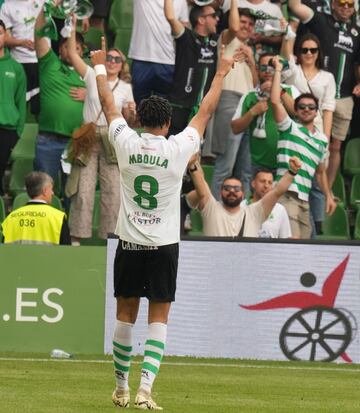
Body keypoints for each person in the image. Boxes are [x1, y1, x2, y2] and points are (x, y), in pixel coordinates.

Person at [90, 38, 236, 409]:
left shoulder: (125, 142)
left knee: (124, 315)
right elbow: (206, 110)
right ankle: (145, 390)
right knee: (159, 319)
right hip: (164, 245)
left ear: (138, 118)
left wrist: (100, 69)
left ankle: (121, 387)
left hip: (129, 242)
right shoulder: (179, 147)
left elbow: (108, 106)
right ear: (169, 122)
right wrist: (219, 72)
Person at [65, 19, 136, 245]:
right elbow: (72, 54)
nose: (113, 61)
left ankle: (109, 241)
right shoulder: (91, 76)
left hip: (113, 139)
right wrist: (72, 29)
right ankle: (76, 240)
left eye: (117, 59)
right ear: (103, 60)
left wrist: (131, 112)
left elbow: (130, 120)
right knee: (83, 192)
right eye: (110, 58)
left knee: (113, 193)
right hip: (89, 136)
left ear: (122, 64)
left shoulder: (126, 88)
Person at [288, 0, 360, 190]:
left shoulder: (357, 32)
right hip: (318, 95)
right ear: (333, 5)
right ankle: (301, 183)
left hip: (344, 97)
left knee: (335, 146)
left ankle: (324, 188)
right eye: (342, 4)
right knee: (307, 139)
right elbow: (295, 7)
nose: (346, 8)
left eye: (350, 5)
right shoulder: (321, 21)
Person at [270, 55, 336, 239]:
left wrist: (329, 196)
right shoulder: (289, 127)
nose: (306, 109)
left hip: (304, 201)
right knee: (294, 245)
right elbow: (275, 101)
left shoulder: (322, 140)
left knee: (305, 248)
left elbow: (321, 172)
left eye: (311, 107)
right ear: (296, 111)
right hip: (286, 195)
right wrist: (277, 70)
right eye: (302, 107)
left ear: (317, 112)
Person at [33, 3, 86, 181]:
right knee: (43, 190)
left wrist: (89, 95)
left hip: (76, 143)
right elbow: (39, 33)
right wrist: (46, 7)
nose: (70, 51)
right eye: (67, 46)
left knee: (72, 195)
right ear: (60, 49)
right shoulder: (50, 63)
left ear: (82, 51)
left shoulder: (87, 72)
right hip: (48, 140)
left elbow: (107, 98)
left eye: (76, 48)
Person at [186, 154, 300, 236]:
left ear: (243, 193)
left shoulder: (254, 213)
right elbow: (202, 190)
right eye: (227, 188)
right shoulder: (211, 208)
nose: (232, 191)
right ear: (220, 192)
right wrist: (193, 165)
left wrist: (292, 172)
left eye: (236, 189)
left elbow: (277, 191)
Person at [210, 4, 257, 199]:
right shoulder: (226, 39)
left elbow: (256, 85)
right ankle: (213, 216)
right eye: (243, 21)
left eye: (250, 24)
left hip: (249, 105)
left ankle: (241, 221)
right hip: (229, 100)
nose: (246, 26)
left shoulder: (250, 49)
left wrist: (252, 60)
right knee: (225, 167)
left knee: (245, 171)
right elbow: (235, 28)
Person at [231, 52, 298, 175]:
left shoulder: (290, 90)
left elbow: (297, 112)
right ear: (257, 70)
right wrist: (252, 112)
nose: (267, 71)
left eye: (271, 67)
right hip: (257, 165)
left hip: (286, 162)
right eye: (263, 68)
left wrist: (279, 90)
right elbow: (235, 128)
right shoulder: (250, 96)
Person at [164, 0, 221, 136]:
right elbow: (171, 17)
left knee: (194, 154)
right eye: (213, 16)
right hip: (179, 106)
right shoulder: (186, 37)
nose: (217, 19)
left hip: (201, 110)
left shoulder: (215, 41)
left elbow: (234, 29)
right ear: (201, 20)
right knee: (173, 149)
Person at [128, 0, 189, 105]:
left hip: (168, 61)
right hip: (142, 59)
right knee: (138, 108)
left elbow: (184, 29)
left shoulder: (181, 1)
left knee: (163, 110)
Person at [1, 171, 71, 245]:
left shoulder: (11, 217)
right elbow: (67, 252)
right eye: (51, 189)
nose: (53, 193)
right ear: (45, 190)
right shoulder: (58, 218)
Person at [0, 0, 44, 115]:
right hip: (18, 62)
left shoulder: (45, 2)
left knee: (41, 109)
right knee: (17, 105)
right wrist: (21, 42)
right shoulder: (7, 5)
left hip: (42, 60)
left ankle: (42, 134)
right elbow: (4, 38)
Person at [0, 19, 26, 196]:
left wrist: (18, 130)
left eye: (0, 33)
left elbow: (20, 102)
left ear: (5, 36)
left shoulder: (15, 67)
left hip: (7, 129)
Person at [240, 169, 292, 238]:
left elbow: (285, 238)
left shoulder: (280, 209)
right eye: (262, 181)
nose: (266, 186)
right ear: (253, 184)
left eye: (270, 183)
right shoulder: (242, 206)